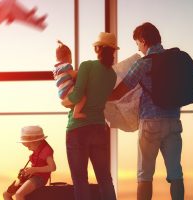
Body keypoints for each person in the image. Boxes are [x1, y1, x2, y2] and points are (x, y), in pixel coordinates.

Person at [108, 22, 185, 200]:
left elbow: (121, 91)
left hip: (150, 123)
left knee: (144, 176)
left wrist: (99, 97)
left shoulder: (144, 63)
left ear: (143, 40)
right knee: (176, 174)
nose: (139, 49)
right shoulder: (175, 61)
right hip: (173, 121)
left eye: (137, 44)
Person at [61, 32, 118, 200]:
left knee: (80, 180)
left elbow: (77, 96)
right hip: (99, 128)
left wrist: (65, 102)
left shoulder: (87, 66)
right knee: (105, 178)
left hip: (78, 129)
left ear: (98, 48)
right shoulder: (112, 75)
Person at [3, 125, 56, 200]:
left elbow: (52, 167)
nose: (28, 149)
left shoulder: (46, 151)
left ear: (36, 141)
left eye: (29, 146)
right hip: (31, 176)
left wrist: (34, 169)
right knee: (6, 194)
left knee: (19, 194)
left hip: (40, 178)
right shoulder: (36, 149)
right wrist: (28, 170)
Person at [53, 40, 87, 119]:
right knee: (83, 97)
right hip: (68, 90)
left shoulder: (56, 69)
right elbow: (75, 75)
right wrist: (81, 73)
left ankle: (74, 108)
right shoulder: (67, 66)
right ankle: (76, 113)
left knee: (75, 100)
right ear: (68, 56)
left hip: (62, 93)